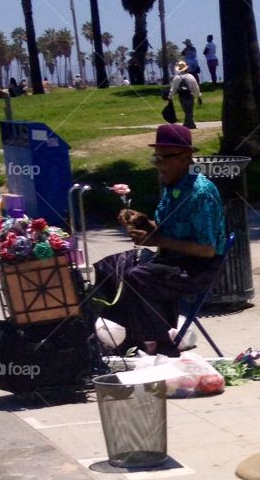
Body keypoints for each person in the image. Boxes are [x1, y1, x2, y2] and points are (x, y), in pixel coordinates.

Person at [90, 123, 226, 357]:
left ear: (185, 157)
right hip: (173, 259)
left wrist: (157, 240)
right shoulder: (172, 186)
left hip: (198, 268)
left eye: (164, 158)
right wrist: (142, 222)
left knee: (137, 278)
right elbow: (165, 230)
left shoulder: (200, 193)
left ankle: (159, 344)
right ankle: (125, 339)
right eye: (156, 158)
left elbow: (206, 250)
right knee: (110, 268)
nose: (158, 165)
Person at [169, 60, 201, 129]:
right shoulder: (190, 76)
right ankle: (190, 124)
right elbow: (195, 87)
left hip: (182, 97)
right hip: (190, 95)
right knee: (189, 110)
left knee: (186, 110)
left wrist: (170, 96)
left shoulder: (177, 78)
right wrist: (198, 96)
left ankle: (188, 124)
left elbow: (174, 89)